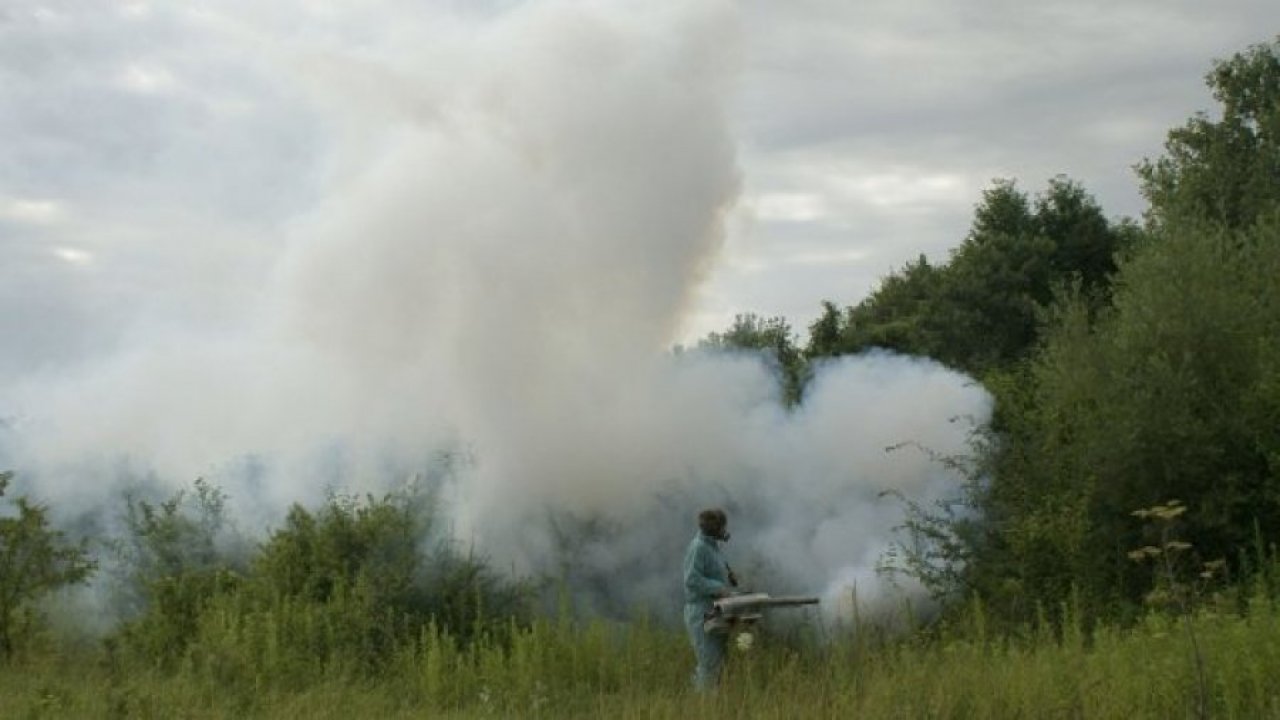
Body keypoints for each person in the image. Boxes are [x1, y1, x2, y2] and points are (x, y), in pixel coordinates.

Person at [682, 508, 738, 691]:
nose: (724, 531)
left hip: (716, 609)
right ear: (714, 527)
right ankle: (702, 706)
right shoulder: (698, 547)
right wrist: (719, 588)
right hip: (701, 612)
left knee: (719, 662)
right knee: (708, 663)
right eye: (722, 527)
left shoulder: (713, 547)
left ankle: (715, 705)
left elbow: (716, 571)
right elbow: (691, 579)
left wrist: (729, 577)